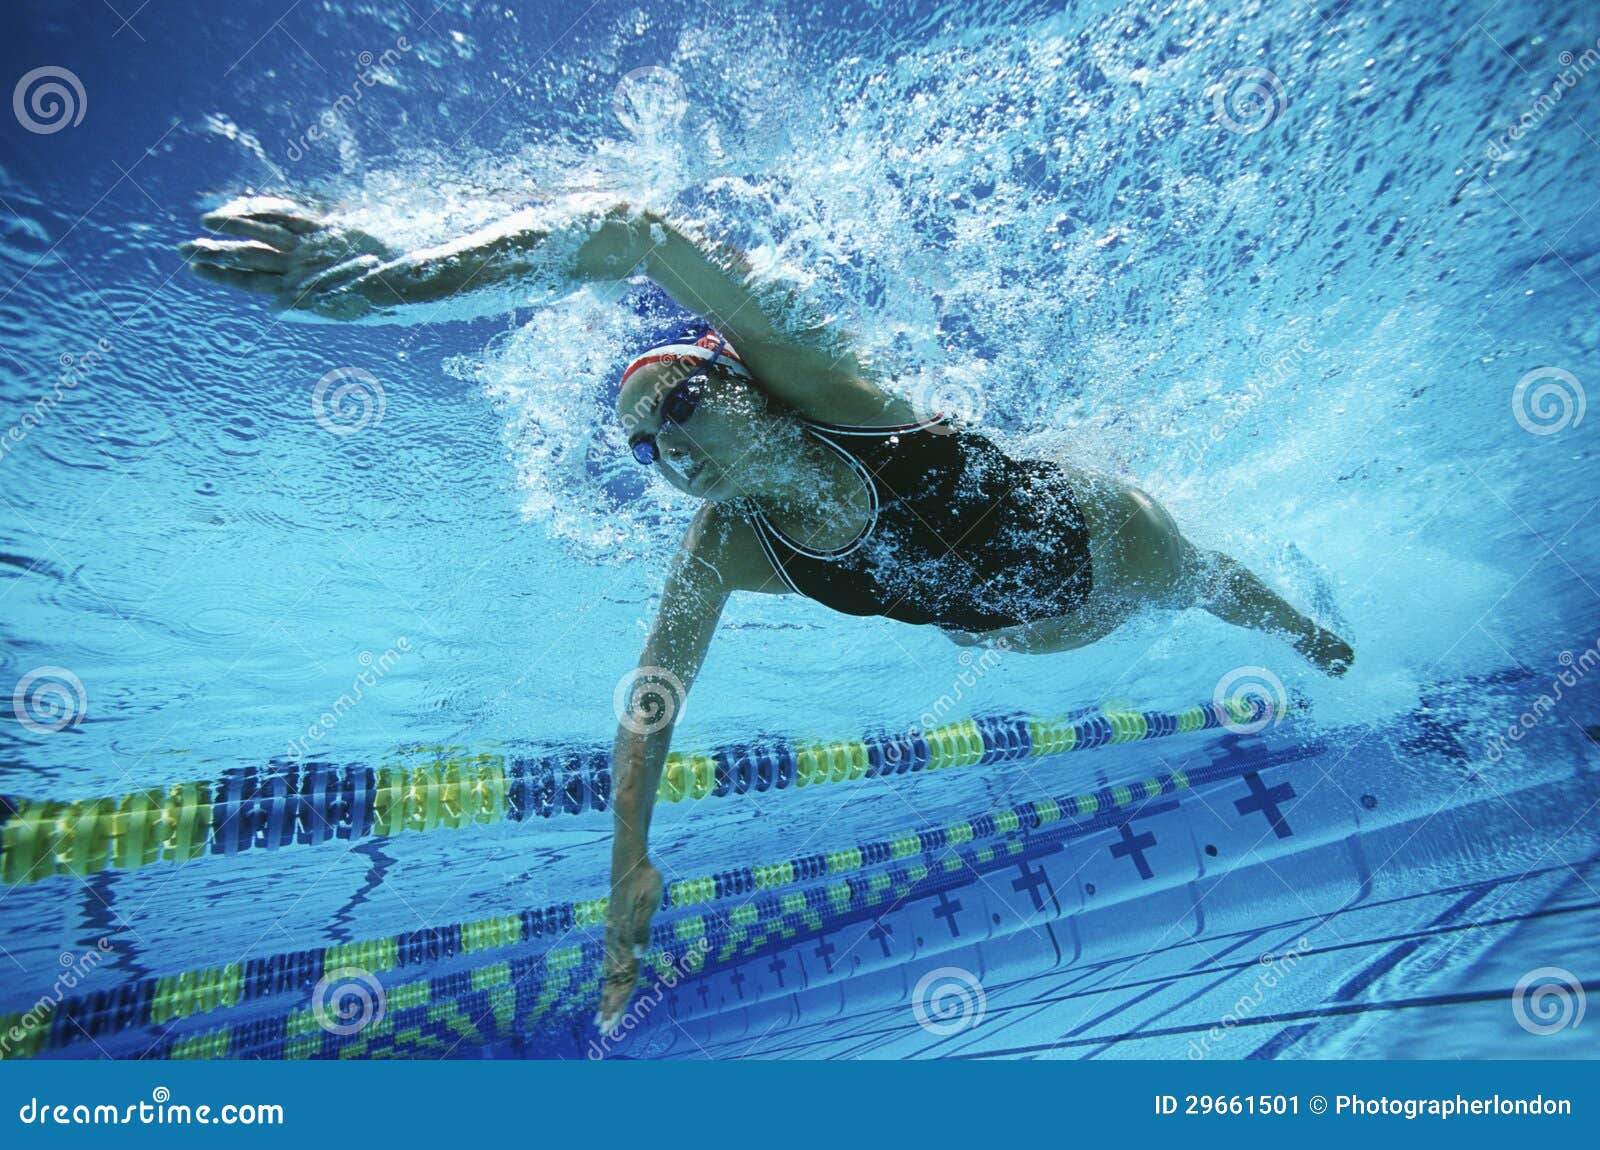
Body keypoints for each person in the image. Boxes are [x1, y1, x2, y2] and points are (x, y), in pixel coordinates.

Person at [182, 193, 1354, 1030]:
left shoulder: (829, 389)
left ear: (738, 378)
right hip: (1024, 626)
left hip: (1100, 539)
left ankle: (1309, 632)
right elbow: (651, 696)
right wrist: (630, 857)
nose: (670, 446)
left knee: (1199, 578)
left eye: (681, 402)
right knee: (1045, 622)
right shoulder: (730, 545)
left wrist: (396, 279)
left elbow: (634, 227)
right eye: (645, 446)